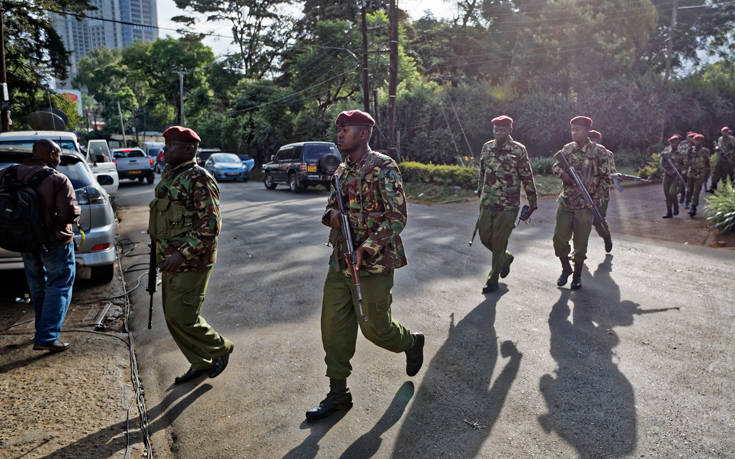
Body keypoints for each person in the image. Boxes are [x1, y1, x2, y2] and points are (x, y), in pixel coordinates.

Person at [306, 110, 424, 422]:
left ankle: (411, 342)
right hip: (340, 261)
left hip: (373, 264)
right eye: (340, 129)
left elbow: (397, 217)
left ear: (364, 134)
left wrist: (367, 248)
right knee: (333, 327)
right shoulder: (341, 170)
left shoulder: (383, 166)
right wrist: (330, 216)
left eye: (347, 129)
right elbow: (330, 207)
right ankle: (338, 393)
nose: (341, 134)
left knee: (375, 328)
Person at [148, 126, 234, 384]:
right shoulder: (172, 175)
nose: (165, 149)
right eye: (166, 144)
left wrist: (181, 254)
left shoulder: (199, 178)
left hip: (192, 261)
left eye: (170, 145)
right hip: (169, 259)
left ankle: (220, 348)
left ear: (188, 149)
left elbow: (211, 226)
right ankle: (200, 362)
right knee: (172, 317)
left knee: (184, 316)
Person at [0, 139, 80, 351]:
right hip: (53, 242)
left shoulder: (7, 173)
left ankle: (42, 329)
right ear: (52, 154)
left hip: (22, 240)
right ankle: (46, 336)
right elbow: (69, 214)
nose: (60, 159)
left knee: (37, 285)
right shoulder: (57, 179)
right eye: (59, 154)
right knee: (60, 284)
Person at [476, 115, 537, 293]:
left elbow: (527, 176)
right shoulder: (487, 147)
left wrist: (532, 201)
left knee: (499, 241)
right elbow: (482, 172)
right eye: (496, 129)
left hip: (508, 205)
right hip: (488, 201)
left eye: (502, 129)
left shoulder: (518, 150)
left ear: (510, 130)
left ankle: (492, 279)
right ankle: (506, 258)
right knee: (484, 237)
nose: (498, 132)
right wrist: (480, 191)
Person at [552, 116, 611, 290]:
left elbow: (605, 179)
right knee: (559, 240)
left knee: (580, 245)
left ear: (586, 131)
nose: (574, 132)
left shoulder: (599, 151)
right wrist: (562, 174)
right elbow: (555, 166)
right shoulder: (567, 149)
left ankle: (577, 276)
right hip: (567, 201)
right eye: (572, 129)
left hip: (586, 205)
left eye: (577, 129)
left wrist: (596, 198)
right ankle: (566, 268)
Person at [588, 130, 614, 251]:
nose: (593, 141)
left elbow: (611, 172)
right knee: (580, 221)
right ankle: (578, 250)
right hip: (584, 193)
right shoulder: (581, 151)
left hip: (601, 194)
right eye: (591, 138)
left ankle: (606, 236)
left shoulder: (607, 154)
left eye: (595, 139)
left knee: (598, 220)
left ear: (599, 141)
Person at [660, 134, 684, 218]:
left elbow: (684, 164)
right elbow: (662, 164)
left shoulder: (681, 152)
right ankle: (669, 212)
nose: (674, 143)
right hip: (667, 175)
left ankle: (676, 206)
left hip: (675, 176)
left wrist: (677, 169)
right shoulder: (665, 152)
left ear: (678, 142)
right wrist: (666, 171)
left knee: (672, 192)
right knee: (667, 194)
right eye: (672, 142)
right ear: (670, 142)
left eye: (676, 142)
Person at [687, 133, 711, 218]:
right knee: (689, 191)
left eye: (700, 140)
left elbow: (708, 164)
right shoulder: (690, 150)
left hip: (700, 173)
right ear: (693, 141)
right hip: (691, 173)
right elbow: (686, 161)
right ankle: (690, 204)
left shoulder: (705, 151)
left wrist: (707, 175)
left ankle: (693, 207)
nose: (698, 141)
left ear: (702, 141)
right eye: (696, 140)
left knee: (696, 191)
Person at [709, 126, 735, 192]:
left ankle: (728, 188)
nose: (725, 132)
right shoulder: (720, 139)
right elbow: (717, 147)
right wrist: (716, 148)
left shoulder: (732, 139)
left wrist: (728, 153)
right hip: (719, 159)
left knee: (728, 174)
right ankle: (713, 187)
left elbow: (734, 149)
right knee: (715, 173)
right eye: (724, 131)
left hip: (728, 159)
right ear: (721, 132)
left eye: (726, 131)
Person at [679, 131, 695, 208]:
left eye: (693, 137)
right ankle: (682, 195)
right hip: (683, 168)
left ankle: (687, 202)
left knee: (689, 186)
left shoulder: (696, 146)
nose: (691, 138)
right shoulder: (683, 145)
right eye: (690, 137)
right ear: (687, 137)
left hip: (692, 169)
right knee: (682, 184)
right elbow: (679, 153)